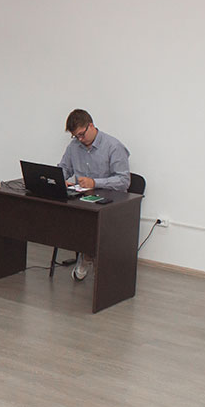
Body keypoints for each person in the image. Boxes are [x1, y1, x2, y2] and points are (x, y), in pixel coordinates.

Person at [58, 108, 130, 281]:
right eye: (76, 136)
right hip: (82, 199)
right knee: (64, 216)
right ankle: (88, 254)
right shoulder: (74, 146)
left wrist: (95, 182)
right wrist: (60, 180)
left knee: (92, 224)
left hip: (109, 201)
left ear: (91, 126)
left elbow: (123, 181)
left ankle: (89, 256)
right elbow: (64, 168)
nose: (79, 139)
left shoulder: (113, 146)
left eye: (81, 135)